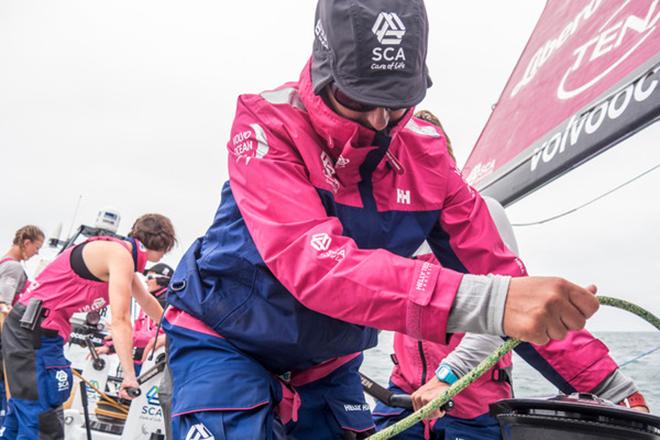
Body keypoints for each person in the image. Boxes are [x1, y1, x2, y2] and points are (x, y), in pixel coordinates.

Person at [163, 1, 603, 438]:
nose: (379, 120)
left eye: (398, 102)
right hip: (225, 343)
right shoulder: (267, 125)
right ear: (323, 72)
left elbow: (503, 277)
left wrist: (612, 388)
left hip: (328, 366)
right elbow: (317, 266)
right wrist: (495, 302)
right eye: (359, 98)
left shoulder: (427, 154)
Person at [0, 213, 176, 439]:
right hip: (34, 332)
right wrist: (129, 376)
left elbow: (147, 302)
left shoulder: (116, 254)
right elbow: (121, 319)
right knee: (43, 422)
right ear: (162, 246)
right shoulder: (120, 255)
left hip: (34, 330)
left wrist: (178, 329)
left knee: (24, 415)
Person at [0, 225, 44, 427]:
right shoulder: (14, 267)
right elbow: (3, 306)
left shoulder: (5, 263)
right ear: (26, 243)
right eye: (37, 247)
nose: (37, 253)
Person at [96, 262, 172, 375]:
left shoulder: (169, 304)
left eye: (150, 277)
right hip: (140, 360)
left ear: (163, 280)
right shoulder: (149, 301)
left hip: (154, 364)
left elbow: (157, 335)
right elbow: (138, 332)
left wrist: (113, 345)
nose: (146, 281)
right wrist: (117, 335)